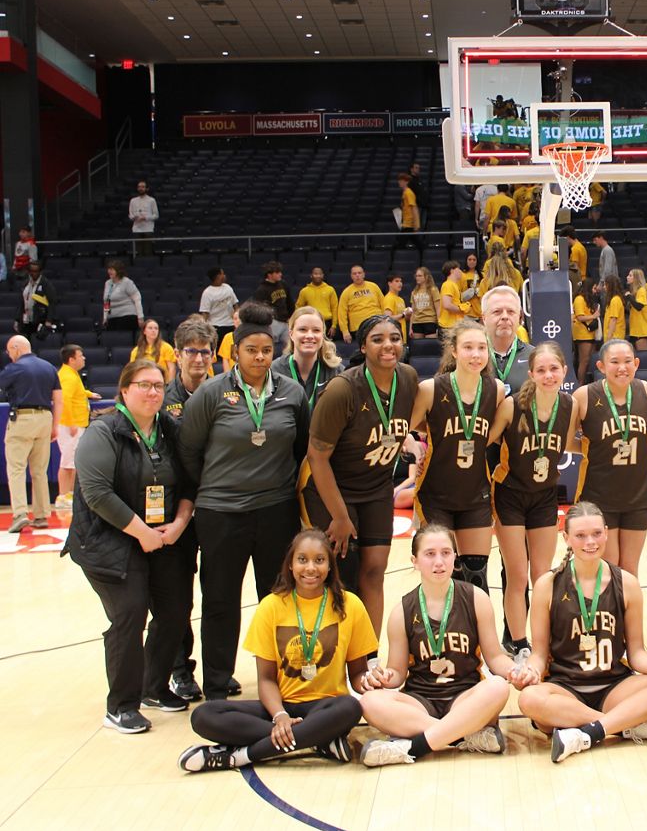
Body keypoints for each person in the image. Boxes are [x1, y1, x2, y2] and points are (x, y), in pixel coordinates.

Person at [177, 302, 310, 701]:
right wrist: (218, 489)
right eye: (251, 350)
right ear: (234, 352)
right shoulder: (210, 394)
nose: (259, 357)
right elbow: (188, 451)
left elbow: (301, 447)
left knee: (278, 600)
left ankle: (284, 680)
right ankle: (217, 684)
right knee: (220, 600)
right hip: (222, 513)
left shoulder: (291, 392)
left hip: (276, 511)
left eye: (266, 350)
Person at [63, 359, 195, 732]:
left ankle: (154, 687)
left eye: (158, 385)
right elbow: (97, 494)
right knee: (130, 613)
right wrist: (143, 533)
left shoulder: (170, 429)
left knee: (175, 609)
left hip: (164, 536)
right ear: (124, 389)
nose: (153, 392)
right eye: (144, 385)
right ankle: (120, 705)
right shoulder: (103, 431)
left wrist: (179, 525)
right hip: (109, 540)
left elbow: (189, 482)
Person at [179, 530, 374, 772]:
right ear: (290, 565)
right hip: (280, 705)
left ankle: (243, 756)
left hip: (327, 708)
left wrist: (369, 681)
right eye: (302, 559)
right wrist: (280, 716)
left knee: (351, 708)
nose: (311, 568)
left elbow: (357, 674)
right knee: (205, 715)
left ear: (330, 566)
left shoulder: (350, 604)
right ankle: (317, 741)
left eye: (319, 560)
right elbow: (266, 679)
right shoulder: (270, 606)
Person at [518, 502, 647, 762]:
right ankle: (621, 726)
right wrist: (530, 669)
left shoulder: (628, 583)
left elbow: (636, 654)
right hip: (566, 689)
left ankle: (586, 732)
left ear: (607, 533)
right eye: (580, 535)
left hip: (614, 687)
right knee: (529, 698)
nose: (590, 541)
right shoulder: (548, 584)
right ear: (565, 537)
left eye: (597, 533)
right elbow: (540, 653)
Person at [359, 526, 523, 765]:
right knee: (369, 701)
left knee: (497, 687)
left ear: (455, 557)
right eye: (430, 554)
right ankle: (463, 737)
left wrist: (514, 671)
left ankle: (411, 748)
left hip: (465, 697)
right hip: (420, 702)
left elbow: (495, 657)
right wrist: (381, 677)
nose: (439, 561)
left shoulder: (476, 599)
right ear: (415, 561)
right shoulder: (402, 611)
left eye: (446, 553)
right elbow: (397, 672)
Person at [303, 314, 417, 640]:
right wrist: (339, 516)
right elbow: (317, 457)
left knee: (375, 571)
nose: (388, 345)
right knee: (342, 577)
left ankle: (367, 655)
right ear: (363, 345)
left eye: (394, 338)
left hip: (377, 488)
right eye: (378, 339)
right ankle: (334, 652)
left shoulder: (407, 378)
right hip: (335, 490)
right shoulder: (343, 389)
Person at [492, 343, 579, 652]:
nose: (548, 375)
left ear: (564, 372)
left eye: (554, 369)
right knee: (516, 575)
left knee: (542, 576)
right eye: (540, 370)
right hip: (510, 495)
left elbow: (571, 444)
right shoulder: (512, 406)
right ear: (530, 374)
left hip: (544, 496)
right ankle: (518, 644)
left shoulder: (570, 405)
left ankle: (542, 644)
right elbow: (482, 441)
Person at [411, 319, 504, 590]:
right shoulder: (431, 389)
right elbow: (405, 426)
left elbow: (492, 434)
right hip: (435, 495)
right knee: (444, 579)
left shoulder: (495, 389)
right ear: (454, 350)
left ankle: (478, 633)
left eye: (481, 348)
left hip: (476, 495)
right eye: (468, 347)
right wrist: (416, 447)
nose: (476, 354)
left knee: (477, 578)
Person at [160, 315, 218, 702]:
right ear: (177, 354)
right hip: (172, 510)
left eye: (205, 351)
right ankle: (180, 670)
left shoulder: (224, 394)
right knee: (177, 596)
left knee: (217, 593)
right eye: (191, 351)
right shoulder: (160, 398)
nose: (198, 358)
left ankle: (217, 671)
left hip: (215, 507)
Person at [572, 339, 647, 574]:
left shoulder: (646, 390)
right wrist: (595, 448)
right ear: (600, 366)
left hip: (638, 495)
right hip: (600, 495)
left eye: (628, 361)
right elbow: (568, 440)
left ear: (636, 363)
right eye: (615, 362)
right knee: (608, 569)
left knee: (630, 570)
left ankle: (630, 612)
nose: (622, 367)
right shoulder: (584, 395)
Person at [1, 335, 61, 533]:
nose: (10, 356)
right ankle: (42, 515)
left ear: (16, 348)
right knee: (39, 471)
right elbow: (58, 399)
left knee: (16, 468)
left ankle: (19, 514)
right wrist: (55, 425)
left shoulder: (15, 368)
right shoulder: (49, 367)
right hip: (45, 418)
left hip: (22, 418)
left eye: (10, 351)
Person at [55, 344, 101, 509]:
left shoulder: (72, 374)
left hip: (75, 423)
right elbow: (64, 400)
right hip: (70, 424)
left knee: (73, 461)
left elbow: (76, 392)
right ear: (71, 359)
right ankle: (62, 495)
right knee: (67, 462)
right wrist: (72, 422)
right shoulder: (67, 376)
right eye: (80, 356)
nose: (84, 358)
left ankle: (69, 494)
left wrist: (89, 394)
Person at [273, 306, 342, 412]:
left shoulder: (337, 372)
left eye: (316, 330)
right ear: (291, 334)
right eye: (302, 330)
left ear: (322, 335)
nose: (310, 335)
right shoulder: (274, 371)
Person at [483, 286, 532, 397]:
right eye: (497, 312)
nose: (505, 316)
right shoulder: (471, 357)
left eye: (510, 311)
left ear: (520, 317)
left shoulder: (535, 357)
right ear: (484, 317)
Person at [337, 265, 385, 343]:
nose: (357, 275)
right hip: (359, 328)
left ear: (364, 274)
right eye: (354, 274)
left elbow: (383, 304)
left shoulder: (374, 286)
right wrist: (345, 331)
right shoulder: (346, 292)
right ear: (351, 276)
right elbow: (341, 313)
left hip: (377, 323)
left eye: (359, 273)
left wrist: (385, 321)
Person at [251, 262, 292, 347]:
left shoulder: (283, 284)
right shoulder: (261, 289)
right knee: (269, 346)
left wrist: (291, 316)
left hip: (285, 321)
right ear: (269, 275)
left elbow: (289, 301)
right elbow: (258, 308)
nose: (280, 274)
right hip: (272, 322)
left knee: (289, 347)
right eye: (277, 273)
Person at [571, 277, 601, 385]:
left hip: (590, 333)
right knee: (584, 360)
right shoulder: (579, 299)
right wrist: (593, 315)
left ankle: (586, 382)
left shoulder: (587, 299)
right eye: (593, 288)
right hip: (582, 334)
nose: (594, 291)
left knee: (589, 360)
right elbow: (580, 317)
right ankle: (580, 384)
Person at [103, 259, 145, 334]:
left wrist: (140, 317)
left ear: (118, 271)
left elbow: (137, 299)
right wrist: (105, 317)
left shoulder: (127, 282)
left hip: (127, 316)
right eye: (109, 269)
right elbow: (106, 301)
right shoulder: (107, 283)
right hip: (112, 317)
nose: (109, 271)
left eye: (112, 269)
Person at [129, 318, 177, 383]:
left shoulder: (166, 347)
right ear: (144, 331)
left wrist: (169, 387)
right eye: (150, 328)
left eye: (156, 328)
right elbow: (133, 370)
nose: (153, 330)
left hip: (162, 383)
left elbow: (172, 369)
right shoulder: (136, 350)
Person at [296, 267, 340, 339]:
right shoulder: (304, 291)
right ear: (311, 275)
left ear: (323, 275)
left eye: (320, 274)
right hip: (310, 322)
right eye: (316, 274)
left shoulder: (330, 290)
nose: (318, 276)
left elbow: (335, 308)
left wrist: (334, 326)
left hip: (327, 322)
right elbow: (298, 308)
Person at [199, 267, 239, 345]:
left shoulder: (228, 288)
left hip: (230, 325)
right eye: (222, 274)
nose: (224, 275)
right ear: (218, 276)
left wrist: (237, 319)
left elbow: (235, 305)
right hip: (215, 327)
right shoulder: (207, 293)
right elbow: (205, 313)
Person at [17, 260, 56, 338]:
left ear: (40, 271)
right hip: (26, 319)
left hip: (40, 319)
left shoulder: (46, 284)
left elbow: (52, 303)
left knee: (38, 341)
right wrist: (17, 319)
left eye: (35, 271)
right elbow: (22, 302)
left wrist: (49, 320)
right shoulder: (26, 283)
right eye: (31, 271)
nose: (33, 273)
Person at [438, 260, 467, 351]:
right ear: (452, 271)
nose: (461, 272)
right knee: (449, 354)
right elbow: (447, 305)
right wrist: (461, 309)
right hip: (448, 326)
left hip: (453, 325)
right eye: (459, 269)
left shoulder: (453, 285)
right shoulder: (448, 285)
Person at [624, 268, 647, 351]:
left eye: (630, 275)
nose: (627, 277)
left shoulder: (642, 290)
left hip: (641, 330)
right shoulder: (634, 292)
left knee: (643, 356)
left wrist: (629, 296)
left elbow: (639, 306)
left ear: (636, 278)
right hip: (634, 329)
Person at [409, 266, 441, 341]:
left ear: (426, 277)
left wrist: (439, 325)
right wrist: (410, 328)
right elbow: (413, 311)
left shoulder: (433, 289)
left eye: (420, 276)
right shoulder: (414, 292)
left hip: (430, 321)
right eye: (416, 276)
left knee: (430, 347)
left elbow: (438, 308)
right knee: (418, 347)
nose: (417, 277)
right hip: (417, 322)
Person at [128, 180, 159, 255]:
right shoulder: (133, 200)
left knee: (148, 251)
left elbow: (156, 215)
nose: (140, 188)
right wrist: (133, 217)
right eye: (139, 187)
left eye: (142, 187)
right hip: (136, 229)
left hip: (148, 229)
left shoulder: (151, 200)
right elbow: (130, 214)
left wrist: (145, 218)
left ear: (147, 189)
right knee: (138, 252)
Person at [396, 173, 423, 250]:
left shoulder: (408, 193)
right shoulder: (405, 193)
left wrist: (416, 225)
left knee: (400, 244)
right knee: (417, 243)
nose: (399, 182)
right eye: (399, 181)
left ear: (406, 182)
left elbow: (414, 208)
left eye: (401, 181)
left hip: (409, 224)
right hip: (407, 224)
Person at [381, 274, 412, 340]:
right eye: (396, 281)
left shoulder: (401, 300)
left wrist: (408, 315)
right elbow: (387, 318)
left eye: (400, 281)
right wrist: (403, 314)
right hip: (393, 338)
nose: (400, 283)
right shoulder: (389, 298)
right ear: (390, 283)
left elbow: (403, 319)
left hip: (402, 337)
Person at [600, 274, 626, 343]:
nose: (604, 287)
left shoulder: (615, 300)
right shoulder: (613, 299)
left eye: (606, 285)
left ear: (610, 286)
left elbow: (613, 320)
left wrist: (609, 338)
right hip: (613, 337)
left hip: (614, 337)